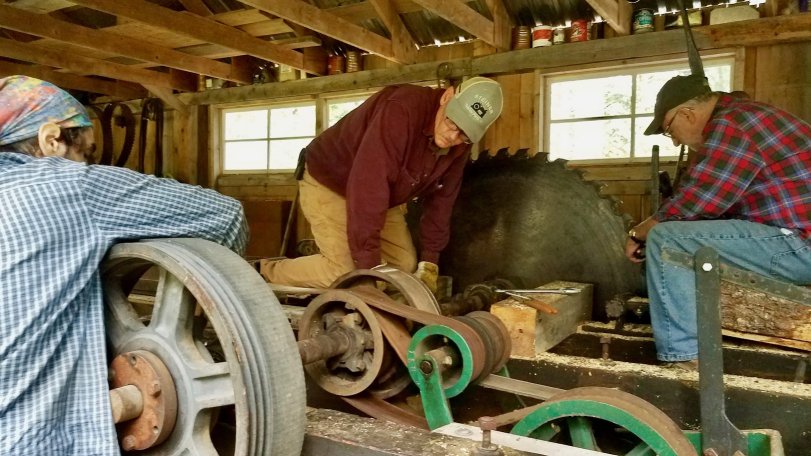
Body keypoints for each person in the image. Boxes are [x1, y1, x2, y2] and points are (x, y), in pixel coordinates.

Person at [0, 75, 248, 455]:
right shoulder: (67, 186)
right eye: (86, 153)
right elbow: (226, 216)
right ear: (52, 139)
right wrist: (208, 315)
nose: (86, 164)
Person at [625, 74, 811, 369]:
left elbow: (702, 198)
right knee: (676, 235)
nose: (673, 140)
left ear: (686, 113)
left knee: (667, 237)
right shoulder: (746, 116)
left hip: (801, 245)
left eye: (668, 129)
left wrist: (641, 231)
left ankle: (682, 358)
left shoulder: (733, 123)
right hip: (796, 239)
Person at [259, 77, 503, 292]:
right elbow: (368, 186)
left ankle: (336, 264)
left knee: (403, 267)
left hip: (381, 195)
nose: (453, 137)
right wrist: (366, 271)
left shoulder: (460, 144)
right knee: (345, 271)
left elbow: (443, 199)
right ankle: (264, 273)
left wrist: (430, 261)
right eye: (453, 123)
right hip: (330, 180)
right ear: (447, 96)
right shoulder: (401, 110)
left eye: (463, 134)